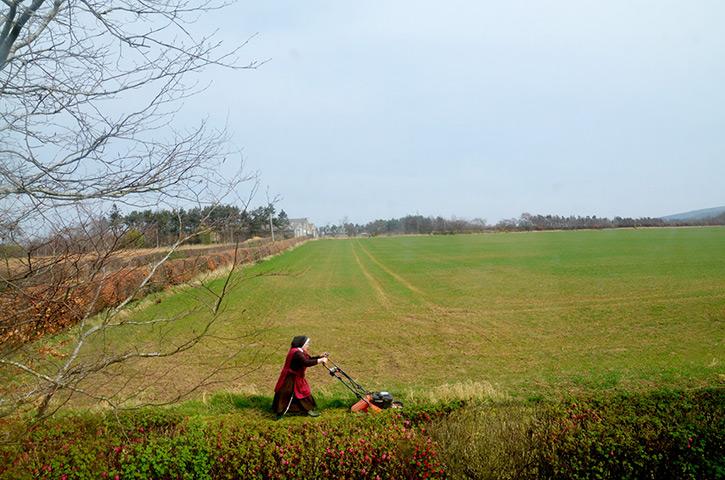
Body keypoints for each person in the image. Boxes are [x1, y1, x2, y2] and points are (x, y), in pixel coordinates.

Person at [272, 335, 328, 420]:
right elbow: (306, 362)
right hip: (290, 377)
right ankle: (279, 414)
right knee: (285, 395)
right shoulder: (296, 353)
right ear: (302, 344)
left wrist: (320, 357)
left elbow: (309, 358)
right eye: (307, 344)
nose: (308, 346)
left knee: (305, 392)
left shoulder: (300, 351)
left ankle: (308, 410)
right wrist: (320, 360)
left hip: (298, 377)